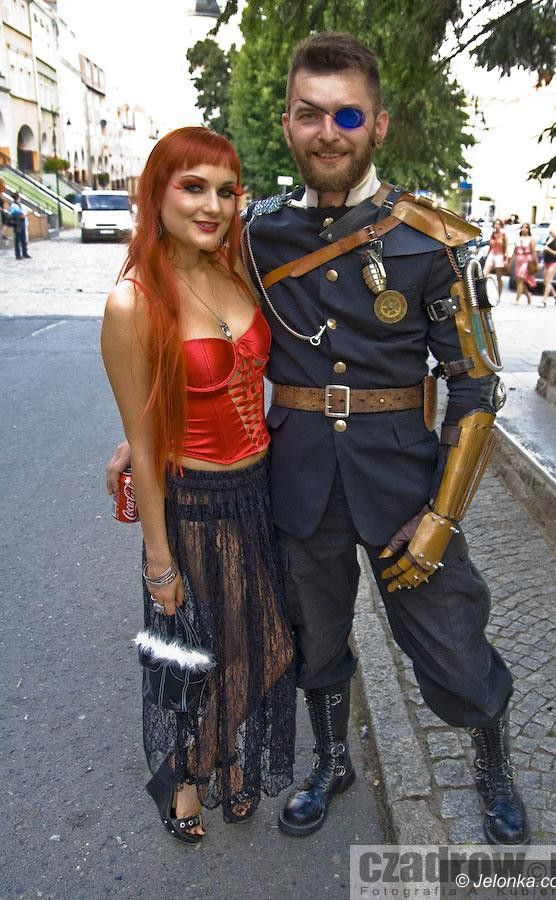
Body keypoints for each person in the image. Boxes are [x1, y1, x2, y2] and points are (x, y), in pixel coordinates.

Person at [108, 33, 529, 846]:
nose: (328, 132)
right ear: (288, 124)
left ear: (378, 124)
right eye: (310, 114)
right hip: (297, 477)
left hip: (407, 486)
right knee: (313, 638)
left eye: (347, 115)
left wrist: (442, 517)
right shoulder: (255, 234)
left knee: (452, 639)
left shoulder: (436, 240)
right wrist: (148, 427)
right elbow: (190, 313)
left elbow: (478, 390)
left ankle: (493, 765)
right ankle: (332, 762)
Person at [101, 126, 295, 844]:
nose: (213, 205)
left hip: (260, 489)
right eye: (193, 187)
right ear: (157, 193)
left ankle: (209, 755)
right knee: (205, 650)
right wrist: (159, 561)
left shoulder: (235, 267)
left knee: (261, 646)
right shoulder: (133, 302)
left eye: (225, 190)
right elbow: (148, 450)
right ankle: (189, 770)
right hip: (196, 505)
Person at [511, 223, 536, 304]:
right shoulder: (518, 239)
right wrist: (511, 261)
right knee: (519, 280)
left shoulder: (531, 239)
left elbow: (533, 252)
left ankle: (517, 299)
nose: (524, 229)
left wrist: (535, 262)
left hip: (526, 260)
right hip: (518, 260)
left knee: (520, 279)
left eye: (526, 228)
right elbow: (515, 251)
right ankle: (528, 295)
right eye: (523, 227)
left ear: (529, 230)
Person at [483, 218, 507, 300]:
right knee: (484, 273)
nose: (497, 226)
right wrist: (487, 256)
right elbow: (490, 246)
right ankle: (485, 293)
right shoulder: (492, 234)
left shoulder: (503, 235)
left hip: (499, 255)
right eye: (495, 224)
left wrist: (506, 259)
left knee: (499, 277)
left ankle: (499, 296)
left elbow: (505, 248)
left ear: (501, 226)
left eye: (498, 224)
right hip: (492, 254)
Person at [539, 226, 556, 307]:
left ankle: (544, 301)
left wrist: (548, 249)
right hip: (546, 262)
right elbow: (545, 248)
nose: (552, 233)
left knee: (548, 281)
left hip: (554, 262)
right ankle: (555, 295)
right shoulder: (548, 238)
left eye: (553, 231)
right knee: (545, 281)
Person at [9, 192, 31, 259]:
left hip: (22, 222)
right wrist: (22, 215)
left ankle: (25, 253)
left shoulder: (19, 205)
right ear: (17, 198)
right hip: (18, 223)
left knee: (23, 239)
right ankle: (18, 255)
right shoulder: (13, 205)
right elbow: (15, 214)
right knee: (17, 240)